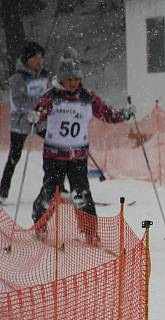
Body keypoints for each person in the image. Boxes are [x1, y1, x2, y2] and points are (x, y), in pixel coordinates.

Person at [26, 47, 133, 243]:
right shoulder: (52, 96)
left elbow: (107, 114)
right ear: (62, 79)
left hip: (78, 156)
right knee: (50, 193)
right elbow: (39, 109)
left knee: (81, 194)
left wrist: (123, 115)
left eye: (76, 79)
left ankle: (90, 232)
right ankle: (39, 224)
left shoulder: (88, 98)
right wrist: (35, 116)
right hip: (54, 155)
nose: (73, 83)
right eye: (69, 79)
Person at [0, 41, 49, 203]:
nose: (39, 61)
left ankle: (56, 186)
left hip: (40, 119)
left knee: (56, 147)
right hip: (21, 122)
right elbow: (20, 101)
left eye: (41, 58)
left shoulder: (44, 75)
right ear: (27, 59)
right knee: (15, 156)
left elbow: (49, 95)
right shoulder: (17, 78)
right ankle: (3, 191)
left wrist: (45, 108)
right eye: (36, 58)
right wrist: (38, 106)